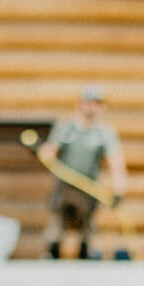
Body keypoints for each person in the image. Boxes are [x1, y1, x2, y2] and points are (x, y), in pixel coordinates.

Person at [38, 86, 128, 259]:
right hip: (65, 185)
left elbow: (115, 162)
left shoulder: (104, 133)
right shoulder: (67, 128)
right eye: (89, 102)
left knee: (87, 225)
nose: (92, 107)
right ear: (80, 104)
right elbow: (50, 150)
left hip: (89, 186)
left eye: (97, 103)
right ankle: (52, 253)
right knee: (58, 222)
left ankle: (85, 255)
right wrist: (43, 151)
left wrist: (119, 187)